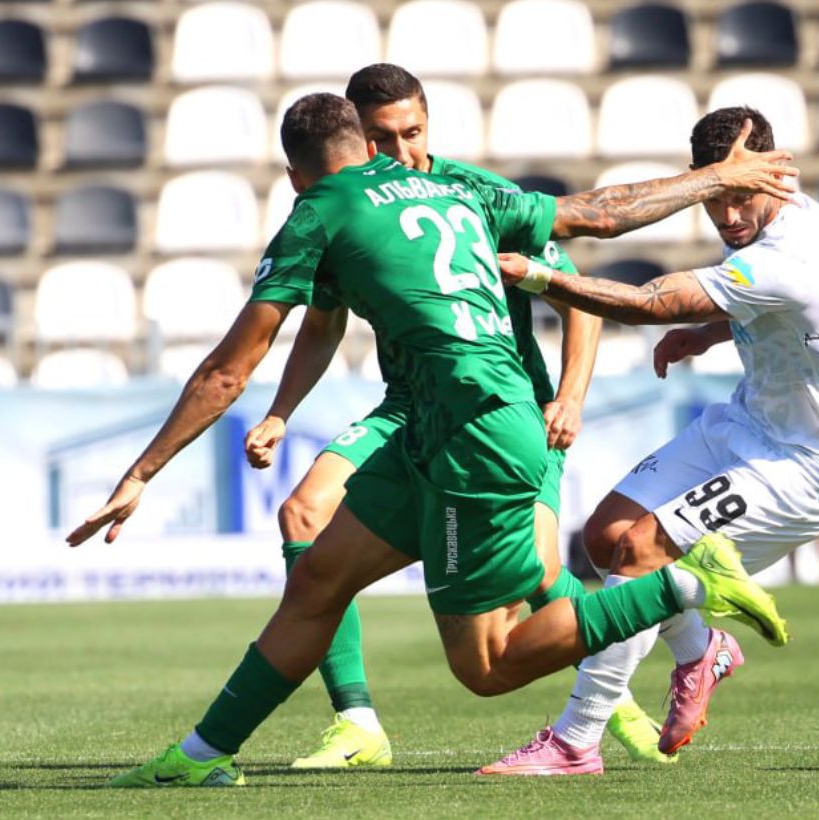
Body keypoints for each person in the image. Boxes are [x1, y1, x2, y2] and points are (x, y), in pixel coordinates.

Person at [66, 93, 800, 787]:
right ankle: (202, 755)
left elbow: (227, 373)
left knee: (487, 664)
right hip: (435, 423)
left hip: (475, 432)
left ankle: (686, 584)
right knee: (319, 577)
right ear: (366, 146)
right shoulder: (455, 188)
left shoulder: (317, 212)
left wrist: (141, 474)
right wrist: (716, 178)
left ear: (294, 176)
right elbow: (597, 214)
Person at [236, 64, 668, 770]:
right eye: (380, 139)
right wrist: (281, 411)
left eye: (411, 133)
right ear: (354, 140)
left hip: (504, 408)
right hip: (411, 407)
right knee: (303, 513)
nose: (399, 151)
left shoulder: (472, 192)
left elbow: (575, 294)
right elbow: (322, 323)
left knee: (538, 572)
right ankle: (357, 723)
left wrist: (569, 396)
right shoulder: (350, 203)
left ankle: (615, 693)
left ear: (428, 124)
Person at [485, 106, 819, 775]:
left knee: (640, 554)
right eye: (716, 196)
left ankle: (576, 741)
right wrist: (710, 333)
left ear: (776, 174)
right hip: (749, 423)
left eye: (740, 197)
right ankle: (701, 651)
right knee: (607, 535)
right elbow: (786, 309)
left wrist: (544, 279)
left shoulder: (789, 254)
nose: (728, 217)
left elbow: (648, 302)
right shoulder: (781, 215)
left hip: (808, 465)